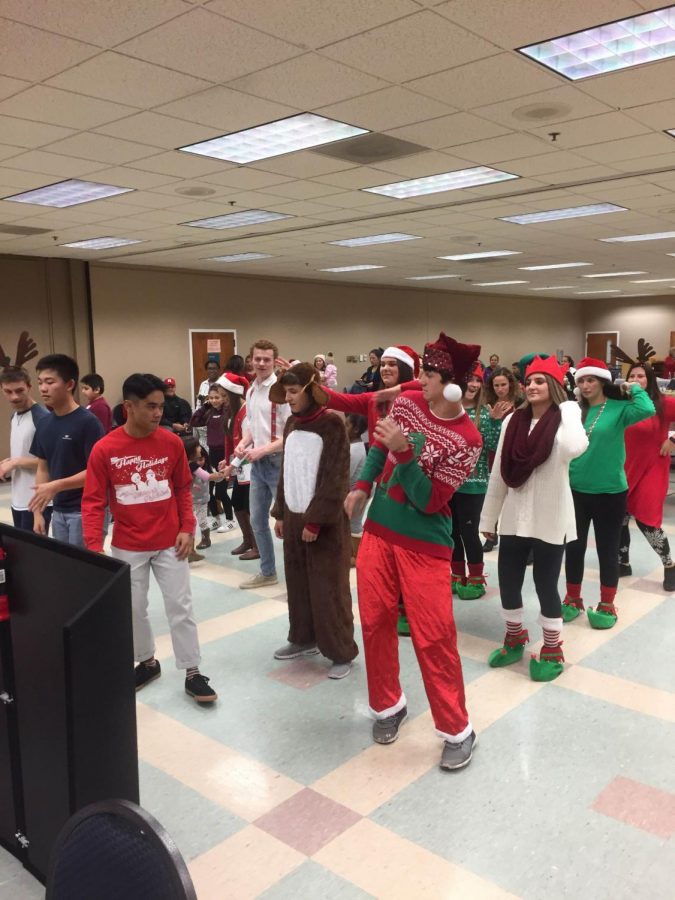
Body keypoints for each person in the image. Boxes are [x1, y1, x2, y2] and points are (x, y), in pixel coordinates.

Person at [345, 332, 482, 771]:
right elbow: (379, 446)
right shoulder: (406, 406)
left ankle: (458, 729)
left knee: (434, 636)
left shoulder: (468, 440)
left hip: (425, 547)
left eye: (429, 373)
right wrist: (363, 486)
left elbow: (430, 501)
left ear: (452, 383)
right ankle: (388, 706)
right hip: (379, 534)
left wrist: (406, 454)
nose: (418, 379)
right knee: (374, 621)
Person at [81, 373, 217, 704]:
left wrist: (187, 528)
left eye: (160, 406)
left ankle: (192, 671)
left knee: (180, 606)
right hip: (128, 545)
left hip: (171, 541)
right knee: (133, 609)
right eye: (150, 406)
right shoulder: (105, 449)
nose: (158, 413)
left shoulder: (170, 442)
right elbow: (94, 501)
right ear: (129, 406)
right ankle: (147, 661)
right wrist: (93, 547)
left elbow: (183, 488)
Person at [480, 357, 588, 681]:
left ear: (553, 386)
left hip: (551, 517)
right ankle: (515, 637)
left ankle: (553, 648)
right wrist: (489, 518)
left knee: (545, 584)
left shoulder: (565, 420)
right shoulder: (512, 422)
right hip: (515, 517)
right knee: (509, 581)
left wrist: (569, 407)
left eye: (541, 381)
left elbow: (575, 446)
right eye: (529, 381)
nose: (533, 386)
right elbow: (500, 472)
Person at [270, 363, 358, 679]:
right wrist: (280, 513)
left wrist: (316, 521)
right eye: (287, 393)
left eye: (294, 392)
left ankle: (341, 651)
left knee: (328, 588)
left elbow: (336, 478)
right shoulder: (292, 424)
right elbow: (287, 472)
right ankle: (303, 638)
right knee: (297, 583)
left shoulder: (332, 426)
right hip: (293, 518)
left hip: (324, 525)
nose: (289, 399)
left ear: (310, 391)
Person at [563, 358, 655, 629]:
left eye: (591, 379)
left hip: (610, 492)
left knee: (607, 550)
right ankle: (572, 599)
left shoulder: (618, 409)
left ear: (603, 381)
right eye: (581, 380)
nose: (585, 385)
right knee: (574, 548)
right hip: (575, 489)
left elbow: (647, 408)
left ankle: (606, 603)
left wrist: (631, 387)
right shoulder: (573, 412)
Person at [615, 341, 675, 591]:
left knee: (648, 521)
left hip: (652, 469)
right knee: (618, 518)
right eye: (632, 375)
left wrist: (673, 439)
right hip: (623, 468)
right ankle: (622, 562)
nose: (636, 379)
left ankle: (670, 565)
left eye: (641, 375)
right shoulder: (620, 402)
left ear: (649, 379)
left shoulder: (663, 403)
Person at [28, 354, 104, 546]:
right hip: (58, 510)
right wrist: (38, 512)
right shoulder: (44, 423)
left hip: (85, 511)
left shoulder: (88, 423)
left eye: (50, 382)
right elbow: (43, 468)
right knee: (65, 568)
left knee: (83, 571)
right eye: (40, 382)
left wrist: (56, 486)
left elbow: (97, 473)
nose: (43, 388)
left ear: (69, 384)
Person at [234, 340, 291, 589]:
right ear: (251, 359)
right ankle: (268, 572)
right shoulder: (251, 390)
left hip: (278, 463)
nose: (261, 363)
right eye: (257, 358)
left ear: (274, 361)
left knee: (289, 524)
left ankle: (297, 577)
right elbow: (254, 427)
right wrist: (244, 443)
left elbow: (290, 432)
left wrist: (262, 449)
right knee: (257, 520)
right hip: (258, 464)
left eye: (266, 359)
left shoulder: (281, 391)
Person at [451, 363, 509, 600]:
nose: (473, 385)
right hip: (448, 483)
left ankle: (476, 577)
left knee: (468, 531)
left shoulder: (485, 413)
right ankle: (456, 575)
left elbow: (495, 446)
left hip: (474, 484)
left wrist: (495, 422)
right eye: (469, 379)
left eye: (477, 380)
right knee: (451, 532)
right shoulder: (447, 410)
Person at [0, 366, 53, 533]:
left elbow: (51, 462)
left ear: (29, 387)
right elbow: (24, 451)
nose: (14, 397)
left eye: (19, 390)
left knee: (35, 555)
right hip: (18, 496)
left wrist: (16, 462)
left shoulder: (42, 418)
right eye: (8, 391)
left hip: (37, 499)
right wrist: (8, 462)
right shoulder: (14, 416)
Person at [215, 372, 258, 559]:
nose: (222, 400)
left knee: (249, 507)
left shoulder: (247, 413)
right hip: (240, 465)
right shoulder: (233, 413)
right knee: (237, 503)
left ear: (234, 394)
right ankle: (248, 540)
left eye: (225, 396)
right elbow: (234, 442)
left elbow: (247, 445)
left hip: (250, 467)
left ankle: (258, 546)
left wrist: (231, 466)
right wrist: (228, 460)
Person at [482, 366, 523, 552]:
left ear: (510, 385)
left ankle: (521, 538)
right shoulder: (487, 405)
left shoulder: (521, 404)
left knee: (517, 498)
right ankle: (491, 535)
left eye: (503, 384)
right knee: (493, 495)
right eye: (496, 385)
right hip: (492, 455)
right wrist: (492, 420)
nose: (500, 388)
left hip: (515, 456)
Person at [189, 385, 235, 534]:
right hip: (211, 453)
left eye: (217, 397)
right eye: (211, 397)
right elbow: (194, 421)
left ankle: (230, 520)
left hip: (224, 453)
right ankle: (216, 518)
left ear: (223, 397)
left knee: (221, 491)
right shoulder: (209, 412)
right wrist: (204, 406)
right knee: (209, 492)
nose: (214, 400)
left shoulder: (227, 412)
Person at [182, 436, 225, 562]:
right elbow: (206, 476)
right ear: (191, 450)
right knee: (194, 521)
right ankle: (190, 550)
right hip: (191, 498)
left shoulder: (184, 463)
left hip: (190, 498)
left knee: (191, 522)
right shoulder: (192, 466)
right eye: (197, 446)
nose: (200, 448)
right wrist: (221, 475)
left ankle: (193, 549)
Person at [346, 413, 367, 566]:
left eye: (347, 425)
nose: (343, 427)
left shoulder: (354, 450)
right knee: (352, 522)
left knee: (354, 523)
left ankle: (357, 555)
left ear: (356, 429)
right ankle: (353, 553)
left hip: (356, 492)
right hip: (355, 490)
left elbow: (346, 475)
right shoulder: (354, 445)